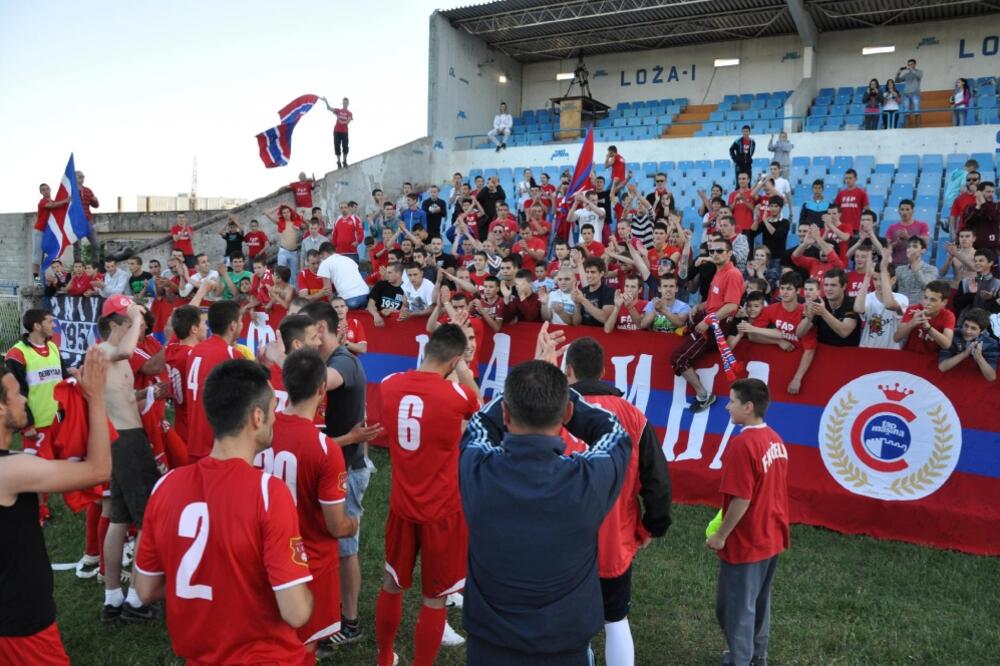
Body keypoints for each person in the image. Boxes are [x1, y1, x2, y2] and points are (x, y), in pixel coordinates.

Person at [132, 360, 313, 663]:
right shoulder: (269, 493)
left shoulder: (165, 486)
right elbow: (296, 612)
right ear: (257, 417)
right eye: (272, 409)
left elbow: (145, 588)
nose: (276, 418)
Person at [459, 351, 632, 665]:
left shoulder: (478, 470)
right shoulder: (587, 481)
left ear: (507, 415)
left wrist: (518, 390)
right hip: (564, 647)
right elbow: (616, 434)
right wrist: (566, 394)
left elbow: (480, 424)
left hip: (489, 648)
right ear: (566, 414)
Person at [375, 325, 480, 666]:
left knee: (392, 583)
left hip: (402, 504)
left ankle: (383, 657)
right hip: (442, 510)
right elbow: (476, 403)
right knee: (435, 597)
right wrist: (463, 367)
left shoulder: (389, 384)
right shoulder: (456, 396)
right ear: (453, 360)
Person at [564, 337, 672, 666]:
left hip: (563, 539)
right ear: (603, 370)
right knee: (615, 619)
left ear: (568, 371)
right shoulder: (633, 415)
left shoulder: (553, 411)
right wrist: (653, 526)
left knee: (569, 620)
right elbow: (657, 481)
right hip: (615, 536)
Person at [0, 348, 110, 665]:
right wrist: (97, 399)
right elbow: (99, 470)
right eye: (16, 393)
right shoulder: (11, 472)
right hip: (21, 623)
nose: (24, 399)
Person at [257, 348, 362, 655]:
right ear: (321, 389)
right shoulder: (324, 448)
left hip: (262, 554)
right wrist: (352, 523)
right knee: (304, 647)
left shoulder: (259, 429)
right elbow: (335, 524)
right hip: (309, 563)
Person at [300, 302, 370, 647]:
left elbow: (319, 384)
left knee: (345, 548)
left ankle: (351, 622)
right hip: (332, 464)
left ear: (321, 331)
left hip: (346, 468)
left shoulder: (341, 362)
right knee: (330, 543)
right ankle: (332, 612)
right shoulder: (327, 360)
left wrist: (289, 353)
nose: (302, 339)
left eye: (306, 332)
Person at [706, 378, 789, 666]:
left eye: (732, 401)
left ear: (748, 407)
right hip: (772, 535)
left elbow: (742, 499)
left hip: (748, 540)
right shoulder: (775, 440)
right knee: (758, 604)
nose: (727, 406)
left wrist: (721, 536)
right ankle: (757, 657)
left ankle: (740, 660)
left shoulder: (742, 445)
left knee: (733, 609)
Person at [95, 296, 161, 623]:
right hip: (126, 440)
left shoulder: (111, 357)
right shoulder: (106, 350)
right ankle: (137, 598)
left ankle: (112, 598)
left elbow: (120, 394)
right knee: (148, 517)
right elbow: (125, 351)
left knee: (120, 517)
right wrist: (137, 317)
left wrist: (148, 394)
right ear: (113, 324)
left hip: (121, 438)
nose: (137, 326)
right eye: (128, 321)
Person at [671, 238, 745, 412]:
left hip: (715, 327)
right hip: (709, 321)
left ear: (730, 253)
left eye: (720, 251)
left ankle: (704, 395)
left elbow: (732, 306)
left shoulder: (732, 274)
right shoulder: (719, 272)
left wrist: (707, 321)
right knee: (679, 355)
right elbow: (715, 302)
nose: (715, 255)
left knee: (679, 359)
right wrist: (699, 306)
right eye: (712, 252)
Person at [4, 310, 68, 458]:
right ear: (37, 326)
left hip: (59, 420)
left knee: (60, 469)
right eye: (50, 322)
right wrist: (27, 425)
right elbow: (14, 393)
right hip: (36, 426)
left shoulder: (53, 347)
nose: (54, 325)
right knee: (38, 473)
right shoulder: (16, 354)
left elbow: (64, 378)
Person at [739, 272, 817, 394]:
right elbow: (752, 336)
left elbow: (810, 350)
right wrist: (777, 341)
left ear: (798, 291)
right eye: (782, 288)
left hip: (800, 364)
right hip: (779, 364)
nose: (784, 292)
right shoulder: (771, 309)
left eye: (789, 289)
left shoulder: (805, 312)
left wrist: (797, 378)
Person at [184, 300, 241, 462]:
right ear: (233, 326)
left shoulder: (196, 350)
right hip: (215, 444)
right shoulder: (230, 354)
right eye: (241, 321)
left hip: (194, 439)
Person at [854, 260, 908, 349]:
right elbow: (858, 309)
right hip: (867, 348)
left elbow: (889, 304)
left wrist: (884, 271)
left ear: (893, 280)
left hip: (890, 351)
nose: (878, 284)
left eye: (882, 279)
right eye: (875, 279)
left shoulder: (901, 298)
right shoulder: (867, 297)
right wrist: (867, 276)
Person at [894, 281, 956, 354]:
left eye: (933, 300)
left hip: (931, 359)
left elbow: (947, 344)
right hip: (909, 354)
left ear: (944, 302)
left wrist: (927, 327)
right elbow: (896, 338)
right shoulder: (913, 309)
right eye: (925, 298)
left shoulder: (948, 316)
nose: (927, 303)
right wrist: (912, 322)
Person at [938, 308, 998, 381]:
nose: (967, 331)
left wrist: (979, 358)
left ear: (982, 331)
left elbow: (991, 377)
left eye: (973, 328)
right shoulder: (953, 334)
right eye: (966, 325)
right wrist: (964, 354)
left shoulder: (991, 344)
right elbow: (942, 367)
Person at [32, 183, 70, 283]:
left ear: (50, 189)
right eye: (43, 190)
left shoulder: (53, 201)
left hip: (49, 233)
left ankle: (57, 279)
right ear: (41, 192)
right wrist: (66, 200)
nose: (46, 191)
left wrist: (68, 201)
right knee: (37, 258)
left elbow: (60, 208)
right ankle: (36, 282)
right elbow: (52, 205)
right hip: (40, 231)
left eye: (47, 189)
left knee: (54, 255)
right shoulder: (42, 202)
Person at [894, 237, 940, 305]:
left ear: (923, 250)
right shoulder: (899, 269)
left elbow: (927, 286)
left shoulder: (931, 269)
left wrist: (915, 266)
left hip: (919, 309)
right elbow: (890, 287)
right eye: (909, 247)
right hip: (900, 308)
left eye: (915, 246)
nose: (911, 249)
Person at [74, 170, 101, 263]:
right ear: (74, 178)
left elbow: (96, 206)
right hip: (75, 222)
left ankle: (95, 265)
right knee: (77, 246)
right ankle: (78, 266)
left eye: (83, 177)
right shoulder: (70, 191)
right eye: (80, 177)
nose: (82, 179)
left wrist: (95, 200)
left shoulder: (88, 190)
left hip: (87, 221)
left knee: (96, 244)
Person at [323, 96, 353, 168]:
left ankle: (344, 161)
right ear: (342, 103)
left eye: (346, 103)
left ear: (348, 104)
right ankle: (339, 162)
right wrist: (326, 101)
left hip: (344, 131)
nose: (345, 104)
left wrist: (342, 121)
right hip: (337, 131)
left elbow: (348, 121)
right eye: (344, 102)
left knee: (345, 146)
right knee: (337, 145)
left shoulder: (349, 113)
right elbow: (329, 108)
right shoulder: (338, 111)